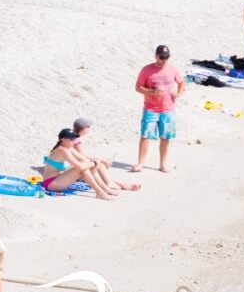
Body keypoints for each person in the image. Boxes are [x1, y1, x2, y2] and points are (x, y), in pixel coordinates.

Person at [134, 45, 184, 173]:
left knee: (165, 137)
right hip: (150, 109)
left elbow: (181, 82)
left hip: (168, 109)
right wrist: (152, 92)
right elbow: (138, 87)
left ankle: (163, 164)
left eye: (166, 57)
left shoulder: (172, 69)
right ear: (156, 56)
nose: (164, 60)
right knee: (145, 135)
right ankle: (140, 163)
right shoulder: (146, 70)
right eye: (162, 57)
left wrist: (178, 93)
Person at [41, 129, 115, 199]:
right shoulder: (62, 150)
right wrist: (94, 163)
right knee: (83, 168)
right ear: (63, 140)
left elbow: (83, 158)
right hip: (50, 183)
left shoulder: (68, 148)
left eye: (75, 139)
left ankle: (104, 189)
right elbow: (80, 167)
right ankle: (100, 192)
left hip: (58, 179)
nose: (74, 141)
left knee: (86, 164)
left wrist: (97, 161)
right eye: (71, 139)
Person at [72, 118, 141, 192]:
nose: (89, 128)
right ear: (83, 129)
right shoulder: (77, 140)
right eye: (88, 126)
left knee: (101, 171)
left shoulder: (74, 137)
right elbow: (82, 156)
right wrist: (101, 160)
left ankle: (123, 185)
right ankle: (112, 183)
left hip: (77, 166)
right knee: (100, 165)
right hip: (77, 169)